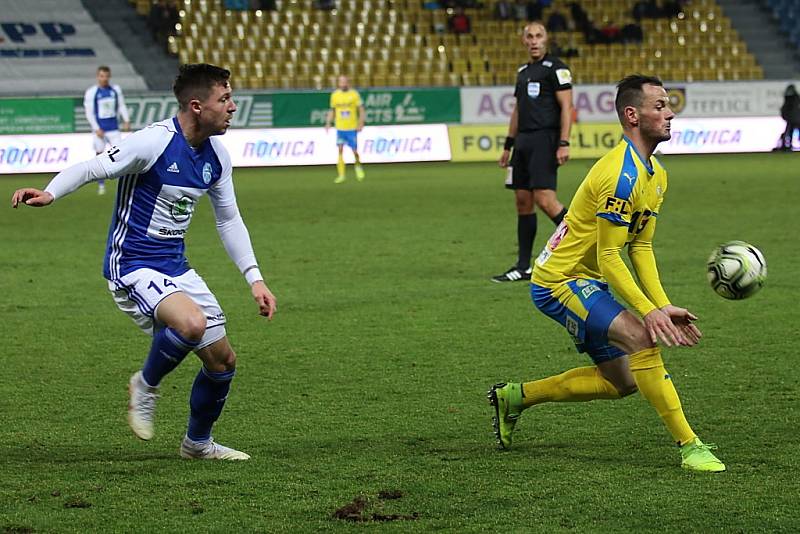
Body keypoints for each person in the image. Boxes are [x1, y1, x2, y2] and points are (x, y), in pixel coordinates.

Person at [12, 64, 277, 461]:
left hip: (175, 267)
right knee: (191, 323)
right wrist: (51, 193)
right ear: (196, 106)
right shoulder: (152, 142)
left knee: (223, 362)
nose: (232, 107)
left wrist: (254, 279)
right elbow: (92, 167)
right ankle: (145, 385)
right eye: (224, 99)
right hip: (132, 264)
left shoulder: (217, 157)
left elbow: (228, 218)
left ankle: (197, 445)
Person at [487, 75, 726, 473]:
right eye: (660, 106)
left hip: (587, 279)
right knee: (641, 339)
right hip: (559, 280)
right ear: (632, 115)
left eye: (668, 105)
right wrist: (648, 313)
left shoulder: (656, 175)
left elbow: (641, 247)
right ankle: (690, 445)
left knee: (622, 381)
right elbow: (611, 254)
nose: (670, 113)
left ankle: (516, 397)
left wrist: (662, 305)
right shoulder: (620, 175)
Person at [493, 22, 573, 283]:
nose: (534, 40)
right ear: (523, 41)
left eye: (539, 36)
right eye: (530, 36)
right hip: (523, 142)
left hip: (545, 139)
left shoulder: (557, 68)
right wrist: (508, 145)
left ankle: (583, 245)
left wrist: (563, 142)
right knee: (522, 201)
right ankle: (523, 266)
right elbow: (517, 110)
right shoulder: (523, 71)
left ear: (546, 39)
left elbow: (566, 107)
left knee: (546, 200)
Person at [84, 65, 130, 195]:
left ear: (109, 77)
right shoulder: (92, 92)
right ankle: (101, 184)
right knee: (99, 155)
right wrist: (96, 128)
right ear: (98, 77)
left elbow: (121, 105)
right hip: (100, 130)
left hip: (113, 128)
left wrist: (126, 119)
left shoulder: (115, 90)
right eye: (101, 76)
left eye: (106, 76)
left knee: (121, 155)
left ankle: (123, 184)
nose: (104, 79)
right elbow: (89, 113)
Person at [325, 75, 366, 184]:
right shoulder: (335, 95)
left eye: (345, 82)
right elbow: (332, 110)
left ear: (348, 83)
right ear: (338, 83)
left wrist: (361, 123)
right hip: (340, 128)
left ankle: (357, 166)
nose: (343, 84)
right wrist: (328, 122)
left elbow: (361, 110)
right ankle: (341, 175)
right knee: (340, 150)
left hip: (351, 127)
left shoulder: (354, 94)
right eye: (341, 82)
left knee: (354, 151)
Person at [779, 83, 800, 151]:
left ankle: (787, 145)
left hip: (792, 119)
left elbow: (786, 110)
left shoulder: (789, 99)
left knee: (789, 132)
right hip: (795, 119)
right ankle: (787, 145)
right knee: (790, 132)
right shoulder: (796, 98)